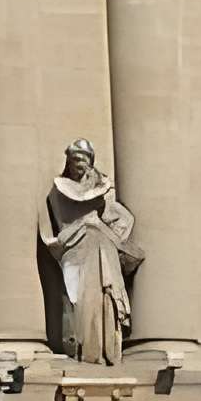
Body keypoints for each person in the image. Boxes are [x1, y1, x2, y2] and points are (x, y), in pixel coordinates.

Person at [41, 139, 140, 365]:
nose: (79, 164)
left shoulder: (102, 188)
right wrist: (85, 222)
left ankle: (107, 350)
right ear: (68, 162)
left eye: (83, 160)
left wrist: (104, 225)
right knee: (79, 298)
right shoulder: (59, 189)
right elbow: (61, 224)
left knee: (107, 295)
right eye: (75, 160)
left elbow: (123, 218)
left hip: (102, 248)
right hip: (75, 248)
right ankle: (86, 350)